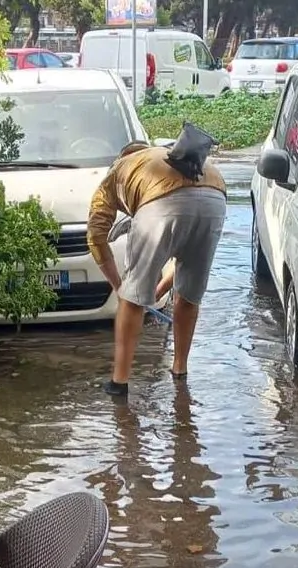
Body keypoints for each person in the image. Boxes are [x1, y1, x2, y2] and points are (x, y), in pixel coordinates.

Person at [86, 123, 227, 396]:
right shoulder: (163, 155)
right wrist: (158, 289)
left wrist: (120, 288)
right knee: (188, 297)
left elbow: (96, 236)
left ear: (121, 157)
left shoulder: (117, 172)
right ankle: (180, 368)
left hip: (162, 202)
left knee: (131, 300)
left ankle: (119, 382)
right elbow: (183, 256)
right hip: (215, 197)